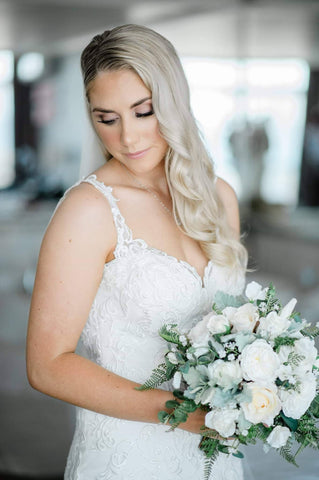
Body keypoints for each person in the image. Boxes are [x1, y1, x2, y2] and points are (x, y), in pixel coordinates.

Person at [26, 24, 248, 479]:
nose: (127, 138)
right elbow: (47, 366)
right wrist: (181, 413)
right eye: (107, 118)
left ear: (174, 103)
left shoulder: (219, 197)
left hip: (216, 460)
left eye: (143, 111)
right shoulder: (88, 211)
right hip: (127, 459)